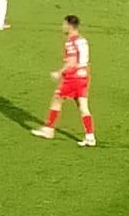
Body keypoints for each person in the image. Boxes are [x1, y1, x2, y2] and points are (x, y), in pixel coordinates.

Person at [32, 16, 96, 146]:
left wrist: (59, 73)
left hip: (73, 77)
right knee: (83, 106)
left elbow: (72, 62)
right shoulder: (83, 40)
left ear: (69, 26)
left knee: (57, 99)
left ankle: (49, 129)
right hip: (84, 75)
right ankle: (90, 137)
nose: (62, 27)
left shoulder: (71, 42)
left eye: (64, 24)